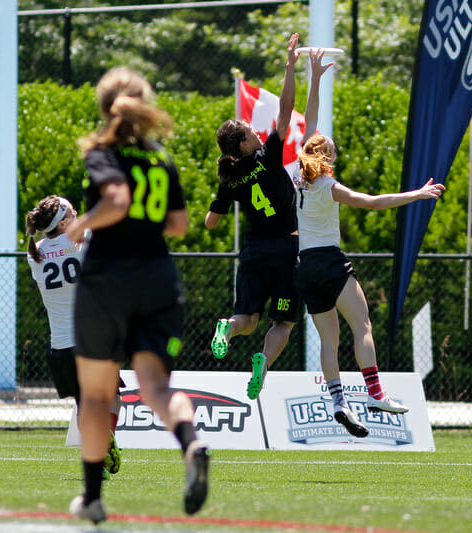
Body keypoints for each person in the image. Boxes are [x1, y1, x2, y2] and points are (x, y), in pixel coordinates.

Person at [64, 66, 209, 525]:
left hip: (108, 280)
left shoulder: (103, 153)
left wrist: (81, 223)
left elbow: (118, 200)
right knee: (157, 387)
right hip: (158, 278)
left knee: (94, 396)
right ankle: (192, 443)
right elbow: (180, 224)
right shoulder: (160, 158)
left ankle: (92, 498)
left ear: (104, 107)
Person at [294, 52, 445, 437]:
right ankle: (375, 392)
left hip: (304, 267)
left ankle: (338, 401)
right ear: (327, 158)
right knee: (362, 324)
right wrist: (419, 193)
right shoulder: (329, 186)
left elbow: (309, 125)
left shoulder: (295, 178)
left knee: (329, 340)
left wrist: (314, 76)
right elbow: (375, 202)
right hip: (329, 261)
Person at [206, 33, 301, 401]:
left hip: (252, 252)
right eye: (250, 132)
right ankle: (264, 359)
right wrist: (290, 66)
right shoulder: (268, 156)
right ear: (244, 144)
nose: (257, 133)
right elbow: (286, 111)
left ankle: (226, 331)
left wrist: (225, 203)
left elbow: (210, 223)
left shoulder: (230, 177)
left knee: (245, 320)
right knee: (283, 323)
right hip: (285, 250)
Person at [25, 195, 122, 479]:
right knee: (113, 397)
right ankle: (106, 438)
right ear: (64, 221)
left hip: (61, 346)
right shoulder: (85, 240)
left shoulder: (35, 253)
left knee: (82, 404)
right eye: (72, 212)